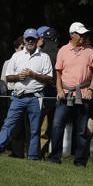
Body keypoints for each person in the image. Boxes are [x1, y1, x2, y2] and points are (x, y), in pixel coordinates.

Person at [0, 28, 53, 160]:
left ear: (37, 40)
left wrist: (33, 74)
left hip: (35, 98)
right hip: (18, 96)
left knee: (35, 129)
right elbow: (8, 77)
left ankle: (32, 156)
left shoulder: (44, 57)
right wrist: (19, 76)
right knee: (9, 125)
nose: (30, 41)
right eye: (28, 39)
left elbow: (49, 78)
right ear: (24, 40)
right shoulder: (17, 56)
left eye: (32, 39)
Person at [48, 22, 93, 166]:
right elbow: (58, 73)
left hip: (83, 94)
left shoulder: (91, 51)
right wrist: (59, 90)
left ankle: (80, 161)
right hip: (64, 93)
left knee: (81, 129)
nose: (83, 37)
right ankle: (54, 158)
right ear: (72, 35)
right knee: (57, 125)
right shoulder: (63, 50)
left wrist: (90, 89)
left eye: (84, 34)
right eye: (80, 34)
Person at [36, 26, 59, 158]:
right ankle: (45, 152)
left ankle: (38, 152)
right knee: (52, 124)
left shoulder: (41, 54)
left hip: (43, 91)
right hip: (57, 91)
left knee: (41, 123)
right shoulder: (60, 52)